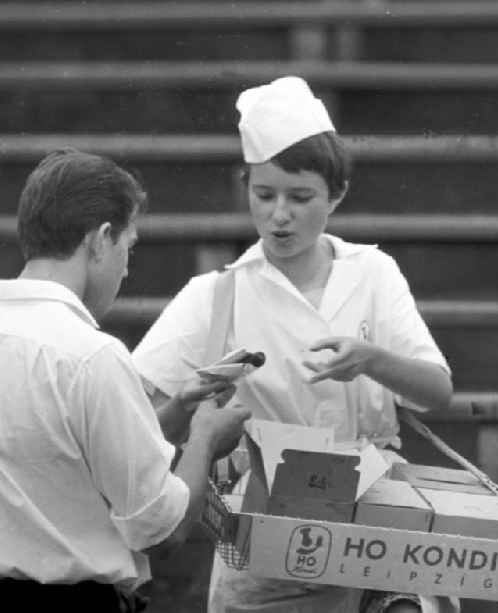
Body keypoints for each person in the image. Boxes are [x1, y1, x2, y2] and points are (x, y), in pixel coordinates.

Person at [131, 76, 457, 613]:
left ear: (337, 194)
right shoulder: (219, 292)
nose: (279, 215)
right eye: (264, 195)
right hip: (268, 526)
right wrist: (197, 421)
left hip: (375, 518)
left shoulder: (373, 272)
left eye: (300, 197)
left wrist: (371, 360)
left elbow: (437, 390)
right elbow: (140, 409)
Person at [0, 149, 251, 611]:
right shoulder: (90, 355)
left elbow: (57, 451)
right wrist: (204, 439)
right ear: (100, 240)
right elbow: (163, 531)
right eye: (127, 248)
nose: (127, 268)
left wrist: (170, 417)